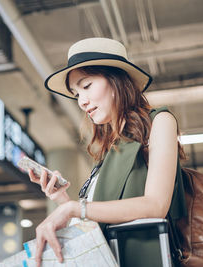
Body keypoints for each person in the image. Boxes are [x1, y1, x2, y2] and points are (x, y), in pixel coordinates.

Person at [27, 38, 187, 267]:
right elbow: (93, 229)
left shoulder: (159, 122)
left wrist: (75, 208)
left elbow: (156, 205)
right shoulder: (108, 149)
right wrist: (61, 199)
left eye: (86, 86)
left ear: (116, 79)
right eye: (76, 93)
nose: (81, 101)